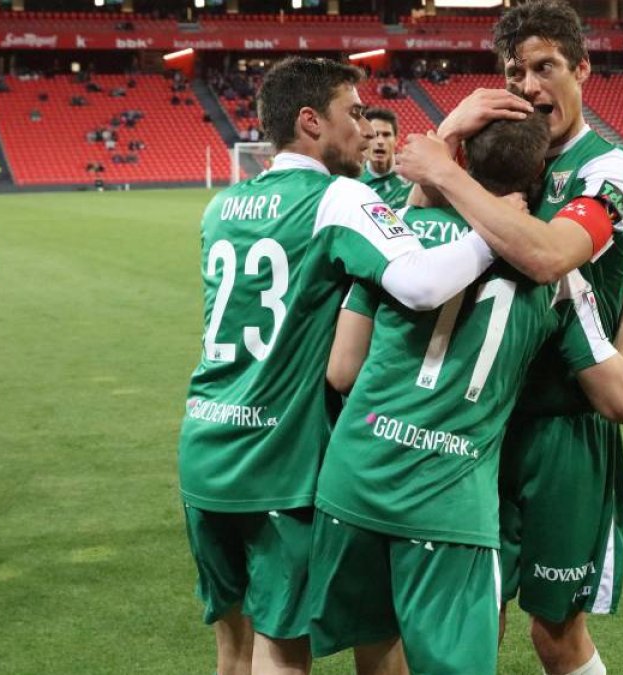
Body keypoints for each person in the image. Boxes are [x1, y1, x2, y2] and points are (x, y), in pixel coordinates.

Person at [177, 57, 501, 675]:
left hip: (204, 448)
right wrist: (502, 228)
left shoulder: (220, 207)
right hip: (277, 460)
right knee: (281, 648)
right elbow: (422, 282)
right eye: (353, 112)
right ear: (310, 122)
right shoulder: (338, 197)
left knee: (232, 648)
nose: (362, 126)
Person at [308, 114, 623, 675]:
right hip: (448, 499)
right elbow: (619, 400)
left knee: (376, 652)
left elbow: (342, 370)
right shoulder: (560, 281)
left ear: (462, 161)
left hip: (354, 484)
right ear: (540, 176)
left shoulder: (400, 233)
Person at [396, 2, 623, 672]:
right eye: (516, 72)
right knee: (470, 621)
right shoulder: (496, 153)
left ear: (582, 68)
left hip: (561, 426)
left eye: (546, 68)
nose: (531, 86)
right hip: (475, 422)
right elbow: (396, 244)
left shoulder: (609, 170)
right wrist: (448, 134)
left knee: (555, 634)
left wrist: (445, 170)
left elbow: (547, 256)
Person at [358, 107, 411, 209]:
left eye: (386, 135)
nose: (380, 141)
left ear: (396, 140)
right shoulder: (355, 184)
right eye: (374, 135)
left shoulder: (412, 174)